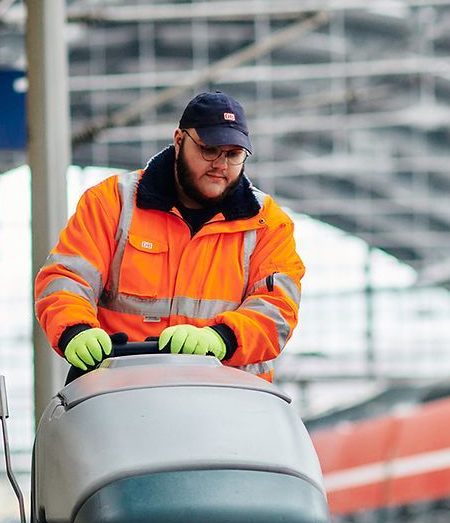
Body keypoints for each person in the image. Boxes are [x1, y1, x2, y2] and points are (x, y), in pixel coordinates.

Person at [35, 91, 304, 381]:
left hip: (229, 396)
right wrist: (75, 329)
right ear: (179, 140)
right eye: (209, 149)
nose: (221, 164)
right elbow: (67, 278)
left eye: (233, 154)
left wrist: (222, 337)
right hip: (120, 392)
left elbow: (277, 309)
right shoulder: (112, 203)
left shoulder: (268, 224)